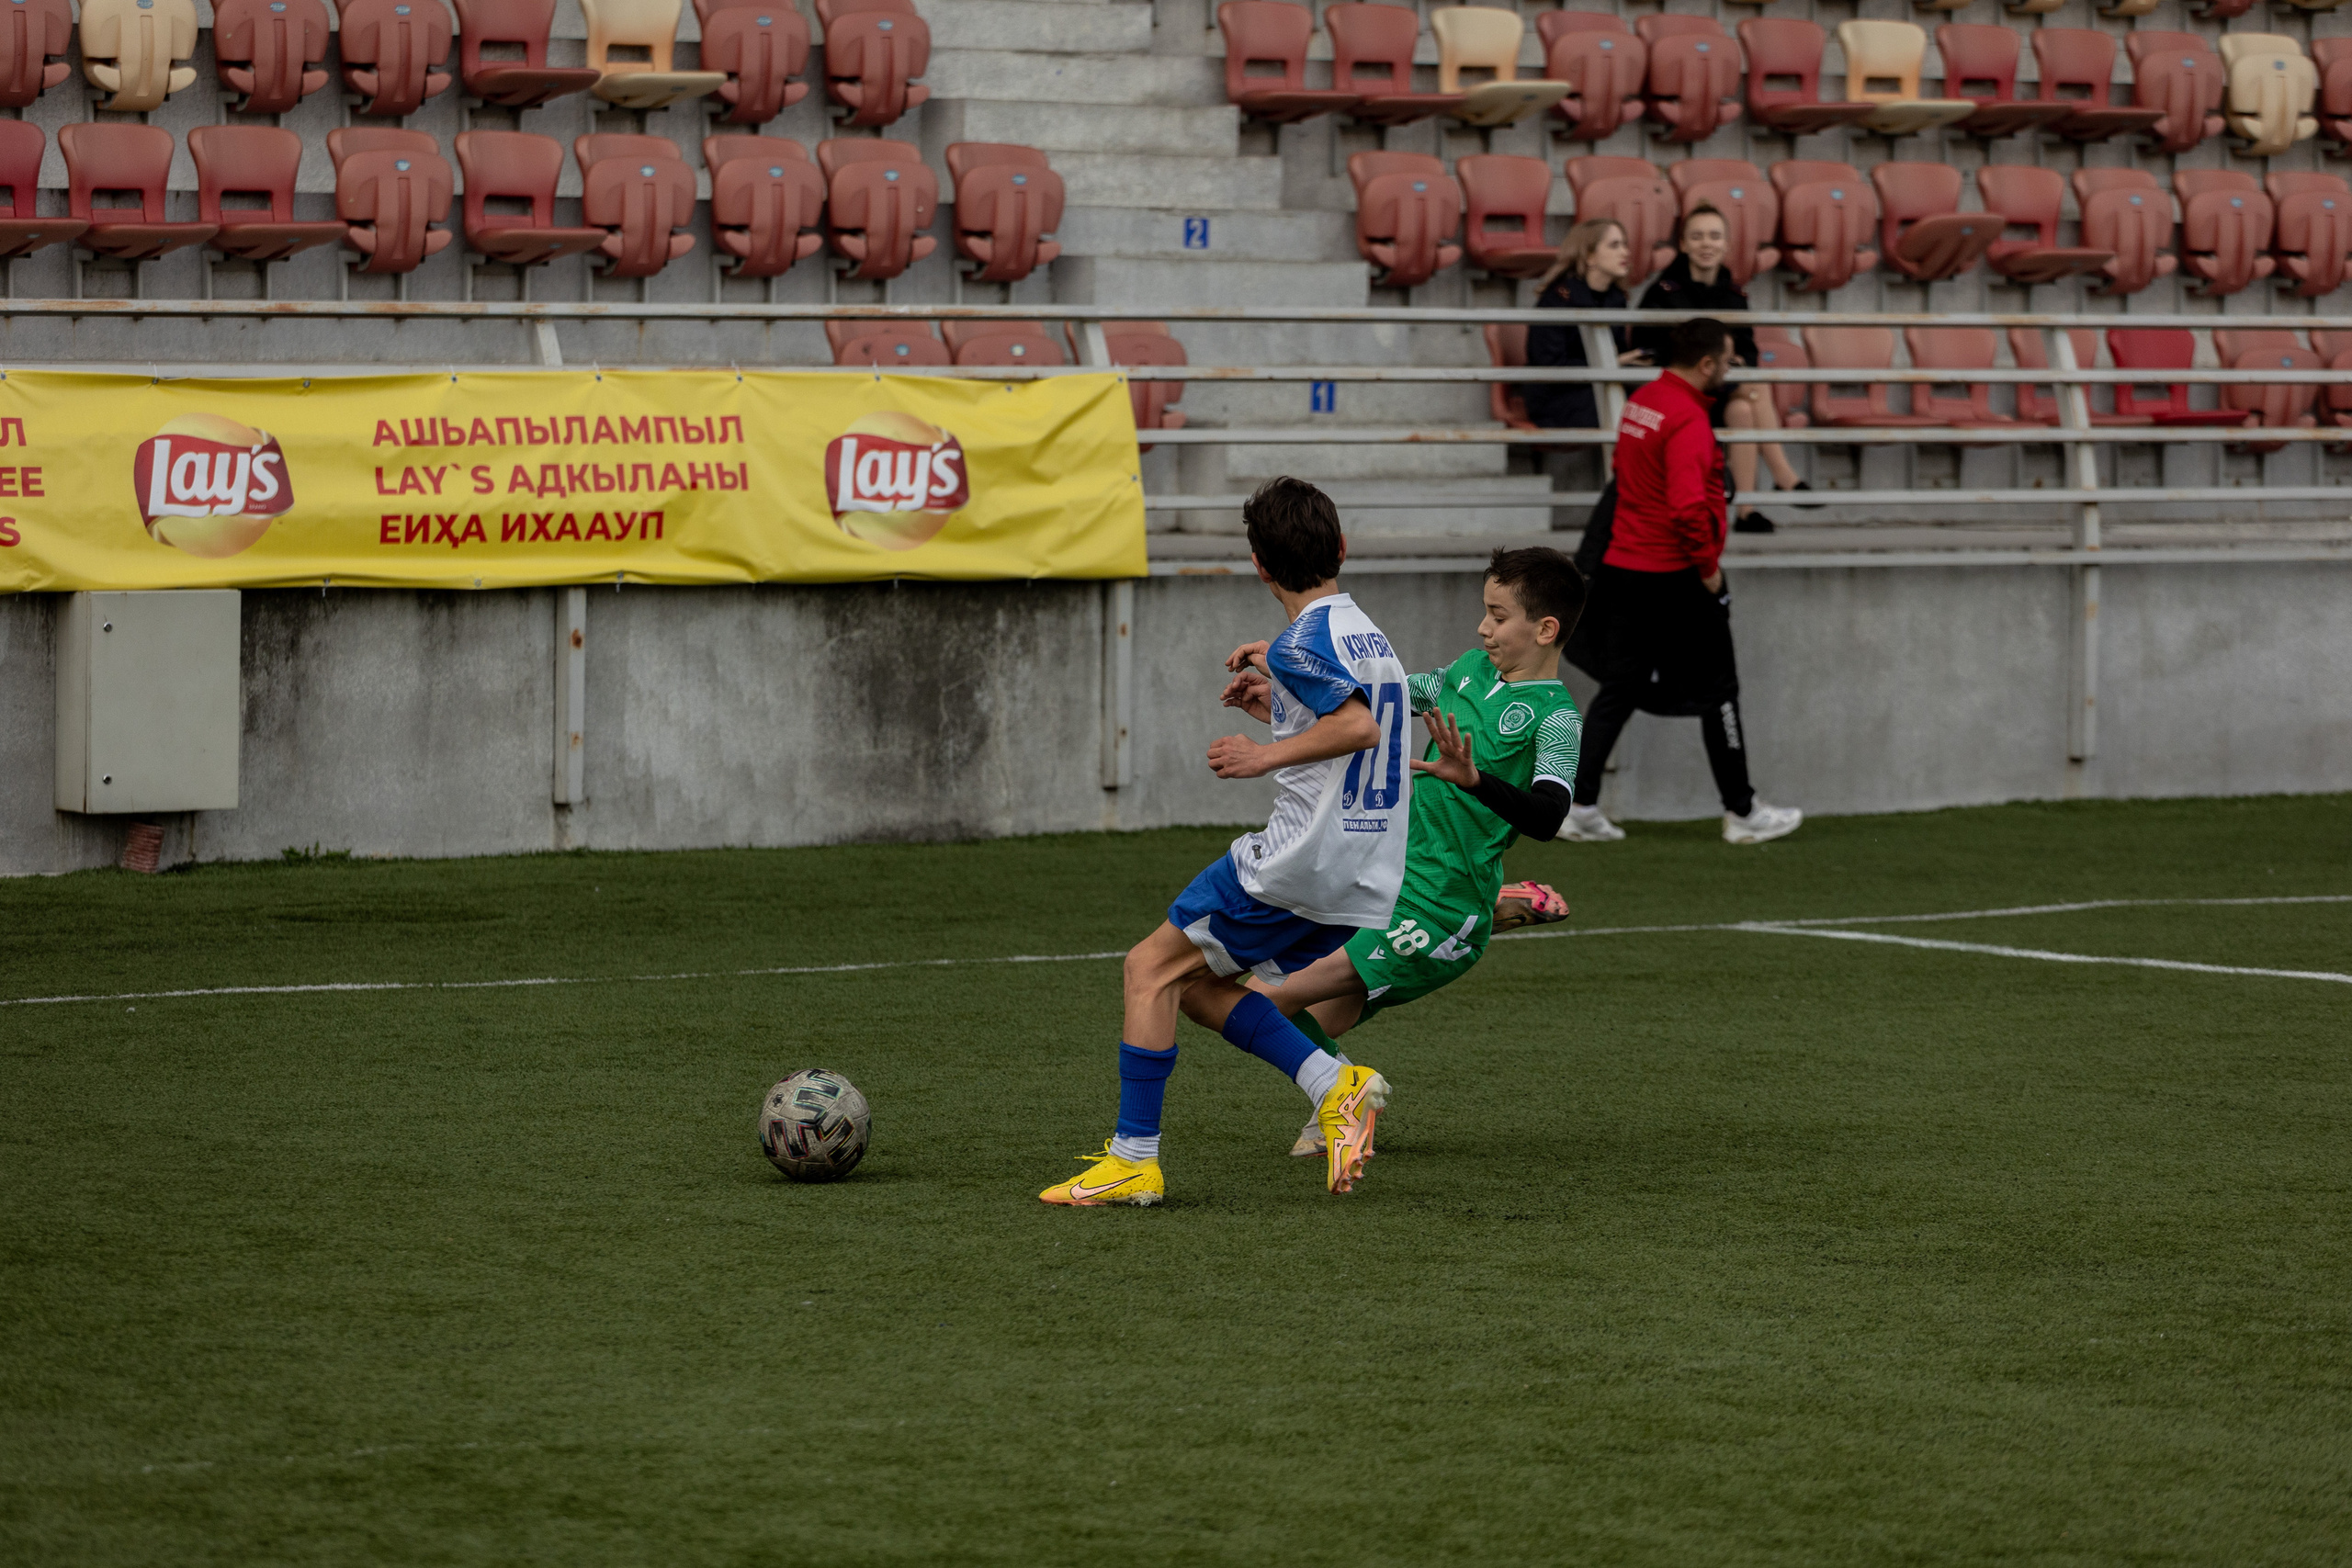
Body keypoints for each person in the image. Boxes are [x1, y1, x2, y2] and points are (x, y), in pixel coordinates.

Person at [1039, 477, 1410, 1207]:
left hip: (1297, 862)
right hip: (1362, 867)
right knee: (1197, 987)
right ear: (1341, 547)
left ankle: (1133, 1160)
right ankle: (1333, 1083)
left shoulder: (1299, 641)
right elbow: (1356, 721)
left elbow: (1359, 726)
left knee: (1148, 969)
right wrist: (1281, 704)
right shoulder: (1364, 629)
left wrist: (1261, 754)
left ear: (1259, 565)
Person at [1217, 548, 1586, 1159]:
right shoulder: (1467, 670)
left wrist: (1475, 780)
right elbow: (1380, 700)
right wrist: (1284, 689)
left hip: (1435, 908)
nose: (1483, 628)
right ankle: (1341, 1096)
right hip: (1384, 881)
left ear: (1545, 629)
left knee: (1259, 1002)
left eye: (1498, 616)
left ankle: (1347, 1092)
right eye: (1485, 612)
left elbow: (1549, 815)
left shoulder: (1556, 718)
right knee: (1288, 1019)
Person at [1563, 318, 1803, 849]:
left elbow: (1623, 474)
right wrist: (1710, 572)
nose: (1731, 370)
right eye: (1728, 361)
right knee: (1721, 690)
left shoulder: (1642, 402)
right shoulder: (1688, 418)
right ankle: (1742, 810)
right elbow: (1689, 509)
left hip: (1626, 568)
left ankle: (1578, 806)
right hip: (1675, 576)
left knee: (1620, 687)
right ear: (1706, 363)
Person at [1631, 204, 1815, 536]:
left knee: (1743, 409)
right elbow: (1650, 349)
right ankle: (1784, 476)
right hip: (1681, 394)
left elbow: (1749, 350)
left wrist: (1734, 362)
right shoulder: (1662, 293)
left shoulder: (1734, 295)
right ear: (1684, 244)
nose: (1707, 244)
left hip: (1722, 391)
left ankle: (1745, 511)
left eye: (1715, 236)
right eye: (1697, 236)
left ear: (1726, 244)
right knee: (1755, 388)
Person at [1521, 218, 1651, 434]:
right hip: (1558, 400)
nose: (1625, 252)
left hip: (1601, 388)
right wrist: (1614, 362)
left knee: (1660, 400)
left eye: (1625, 244)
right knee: (1641, 415)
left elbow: (1617, 351)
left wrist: (1631, 360)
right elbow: (1552, 368)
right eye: (1614, 245)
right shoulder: (1557, 299)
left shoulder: (1616, 298)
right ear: (1590, 257)